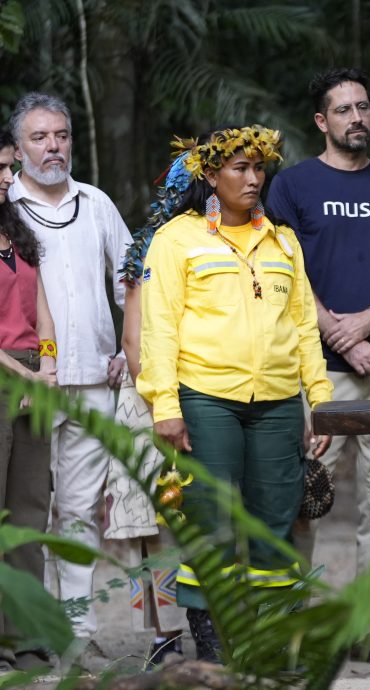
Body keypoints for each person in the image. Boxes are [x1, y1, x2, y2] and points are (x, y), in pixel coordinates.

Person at [136, 125, 332, 662]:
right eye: (239, 169)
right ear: (210, 175)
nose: (253, 178)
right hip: (205, 399)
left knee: (275, 521)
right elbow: (159, 329)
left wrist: (320, 400)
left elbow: (303, 327)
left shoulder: (282, 240)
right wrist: (166, 407)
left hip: (276, 404)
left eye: (258, 168)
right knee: (213, 522)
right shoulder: (178, 238)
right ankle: (214, 645)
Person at [266, 67, 370, 660]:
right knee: (304, 494)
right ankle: (292, 619)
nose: (356, 117)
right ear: (321, 121)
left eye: (363, 106)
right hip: (315, 368)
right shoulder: (291, 186)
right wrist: (338, 329)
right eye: (343, 110)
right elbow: (280, 267)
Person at [8, 92, 132, 667]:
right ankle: (22, 635)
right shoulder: (5, 204)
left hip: (94, 379)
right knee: (24, 510)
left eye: (61, 135)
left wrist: (128, 351)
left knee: (81, 511)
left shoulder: (97, 202)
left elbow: (130, 279)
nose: (53, 146)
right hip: (25, 384)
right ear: (17, 147)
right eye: (39, 137)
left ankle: (75, 638)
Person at [103, 152, 192, 668]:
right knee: (150, 523)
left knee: (198, 517)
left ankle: (207, 619)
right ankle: (161, 630)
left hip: (203, 390)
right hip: (149, 396)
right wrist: (164, 400)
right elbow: (133, 344)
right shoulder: (147, 247)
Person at [0, 128, 58, 675]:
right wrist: (23, 375)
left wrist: (51, 361)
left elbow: (41, 304)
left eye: (5, 167)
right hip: (4, 376)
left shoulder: (16, 230)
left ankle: (27, 638)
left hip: (33, 375)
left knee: (28, 510)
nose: (5, 178)